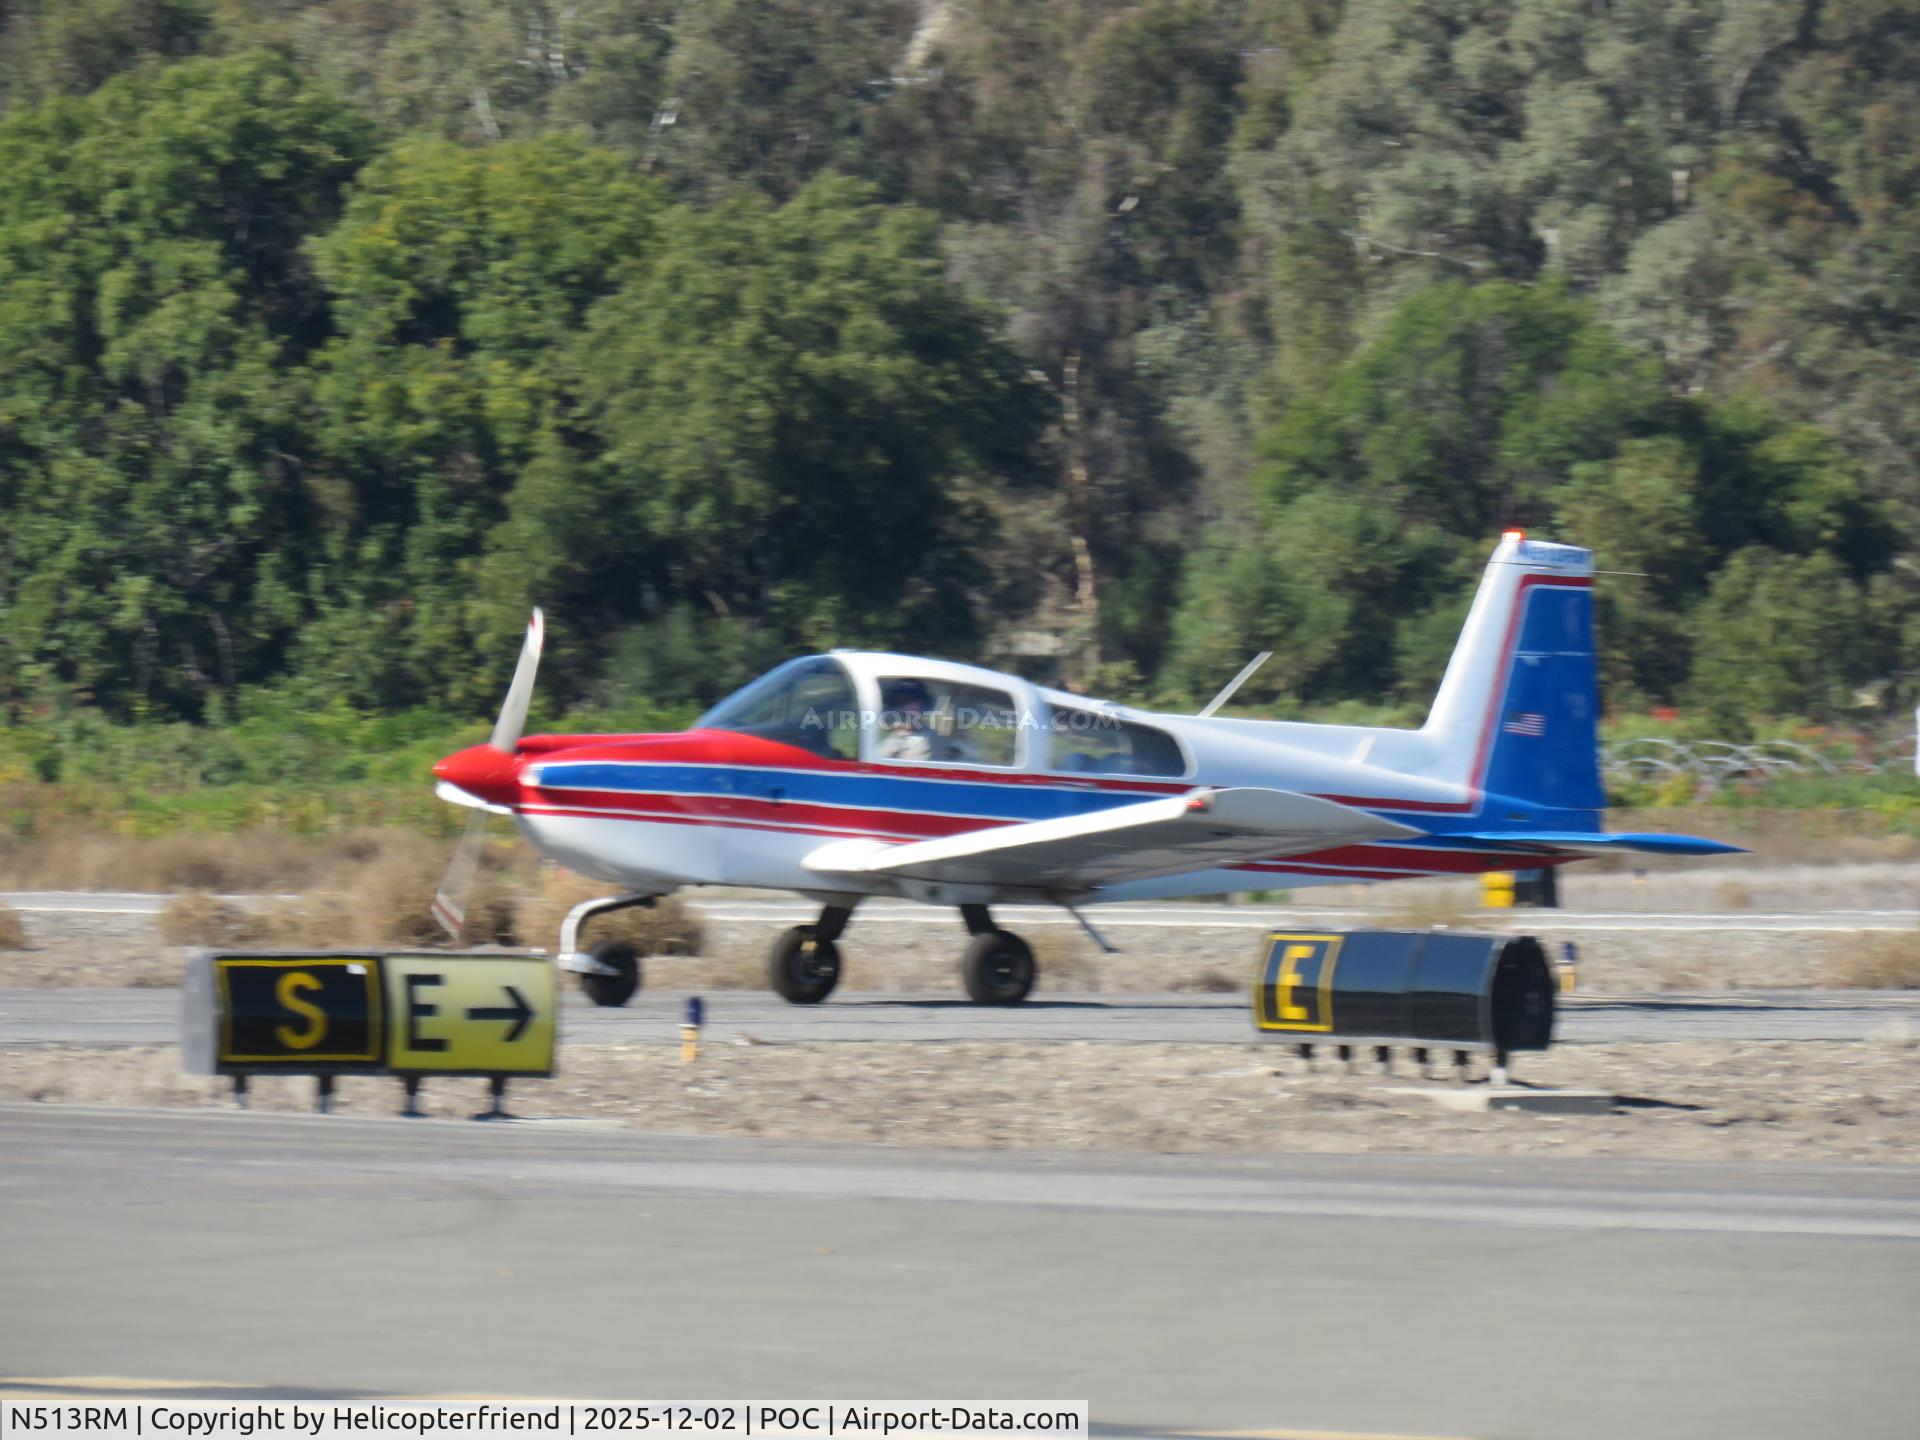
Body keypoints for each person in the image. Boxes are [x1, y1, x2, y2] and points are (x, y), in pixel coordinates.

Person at [877, 679, 934, 760]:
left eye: (910, 702)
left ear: (923, 705)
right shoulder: (880, 738)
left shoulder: (935, 741)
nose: (904, 709)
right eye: (898, 703)